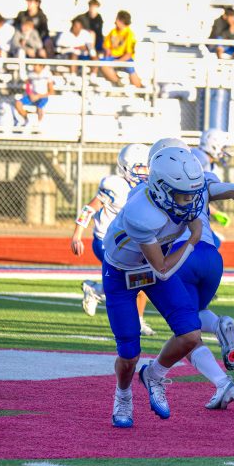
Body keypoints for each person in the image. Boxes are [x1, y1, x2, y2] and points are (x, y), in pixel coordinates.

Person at [101, 145, 223, 427]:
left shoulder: (182, 194)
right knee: (129, 354)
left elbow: (198, 202)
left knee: (190, 334)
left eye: (193, 194)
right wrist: (193, 240)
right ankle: (123, 394)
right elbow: (163, 268)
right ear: (161, 189)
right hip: (123, 273)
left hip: (154, 266)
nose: (191, 201)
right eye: (183, 195)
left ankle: (154, 374)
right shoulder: (141, 214)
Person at [165, 139, 234, 384]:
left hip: (181, 255)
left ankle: (220, 383)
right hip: (212, 256)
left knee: (186, 331)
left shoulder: (155, 185)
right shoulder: (202, 178)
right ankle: (218, 325)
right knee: (198, 312)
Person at [73, 143, 155, 338]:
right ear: (125, 167)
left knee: (145, 277)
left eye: (146, 167)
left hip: (130, 242)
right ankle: (97, 290)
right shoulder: (115, 185)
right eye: (139, 167)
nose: (144, 172)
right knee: (132, 279)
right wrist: (77, 234)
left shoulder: (147, 187)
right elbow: (89, 209)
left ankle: (136, 318)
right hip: (106, 241)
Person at [100, 10, 143, 87]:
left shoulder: (129, 34)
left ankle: (140, 89)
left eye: (117, 19)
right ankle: (118, 83)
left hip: (125, 58)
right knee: (102, 63)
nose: (115, 21)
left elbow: (129, 54)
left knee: (130, 68)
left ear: (122, 21)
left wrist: (118, 61)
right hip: (113, 57)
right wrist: (107, 50)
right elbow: (106, 45)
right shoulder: (113, 31)